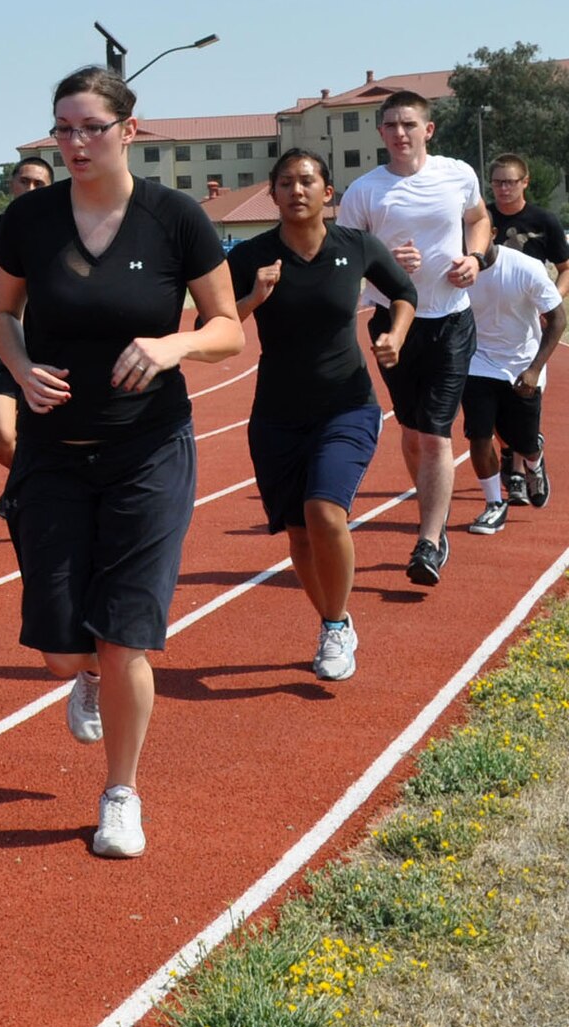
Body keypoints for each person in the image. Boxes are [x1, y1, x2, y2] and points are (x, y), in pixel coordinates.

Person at [0, 66, 241, 859]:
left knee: (125, 635)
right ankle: (87, 675)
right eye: (62, 128)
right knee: (68, 648)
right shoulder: (29, 219)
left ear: (129, 130)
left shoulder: (176, 220)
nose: (74, 143)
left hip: (148, 448)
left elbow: (228, 326)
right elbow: (1, 314)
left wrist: (177, 343)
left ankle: (121, 793)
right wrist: (21, 367)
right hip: (55, 453)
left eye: (91, 128)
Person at [226, 150, 416, 681]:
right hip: (277, 414)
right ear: (273, 193)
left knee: (325, 512)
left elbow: (404, 292)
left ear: (327, 192)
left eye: (307, 180)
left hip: (348, 405)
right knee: (298, 534)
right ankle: (338, 618)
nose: (297, 190)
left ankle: (333, 628)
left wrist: (394, 336)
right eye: (285, 182)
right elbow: (215, 329)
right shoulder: (251, 257)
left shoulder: (355, 246)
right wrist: (253, 298)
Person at [337, 91, 492, 586]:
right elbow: (345, 257)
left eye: (409, 124)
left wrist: (476, 258)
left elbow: (478, 219)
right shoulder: (364, 190)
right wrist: (383, 260)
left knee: (434, 433)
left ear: (429, 130)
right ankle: (434, 511)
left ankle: (429, 539)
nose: (399, 133)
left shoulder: (458, 174)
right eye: (390, 126)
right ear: (380, 134)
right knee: (409, 430)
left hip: (450, 320)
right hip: (392, 322)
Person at [461, 241, 564, 533]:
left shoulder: (525, 268)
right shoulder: (458, 269)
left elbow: (558, 319)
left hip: (523, 365)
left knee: (522, 443)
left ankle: (535, 460)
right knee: (479, 436)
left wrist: (534, 369)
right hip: (478, 363)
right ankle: (494, 505)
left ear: (491, 233)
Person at [0, 155, 54, 470]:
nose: (30, 188)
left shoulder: (63, 230)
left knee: (48, 436)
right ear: (11, 184)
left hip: (50, 349)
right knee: (2, 438)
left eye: (39, 183)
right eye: (24, 181)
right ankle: (33, 485)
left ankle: (36, 491)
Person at [486, 152, 569, 294]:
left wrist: (553, 300)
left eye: (510, 182)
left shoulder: (544, 220)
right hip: (487, 302)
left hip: (530, 302)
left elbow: (565, 269)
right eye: (497, 182)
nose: (503, 188)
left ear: (525, 182)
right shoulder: (480, 220)